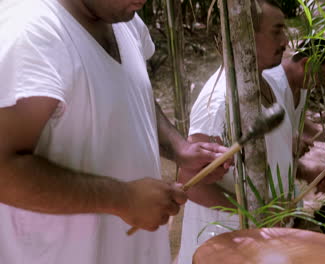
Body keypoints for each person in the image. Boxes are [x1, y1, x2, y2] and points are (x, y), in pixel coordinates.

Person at [0, 0, 230, 263]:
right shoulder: (30, 32)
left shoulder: (123, 19)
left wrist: (180, 148)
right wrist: (122, 199)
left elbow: (131, 90)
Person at [176, 1, 325, 263]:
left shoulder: (269, 86)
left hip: (261, 242)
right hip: (223, 245)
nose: (286, 41)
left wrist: (307, 172)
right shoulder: (218, 103)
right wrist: (254, 216)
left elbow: (266, 159)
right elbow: (191, 182)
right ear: (245, 35)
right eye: (276, 32)